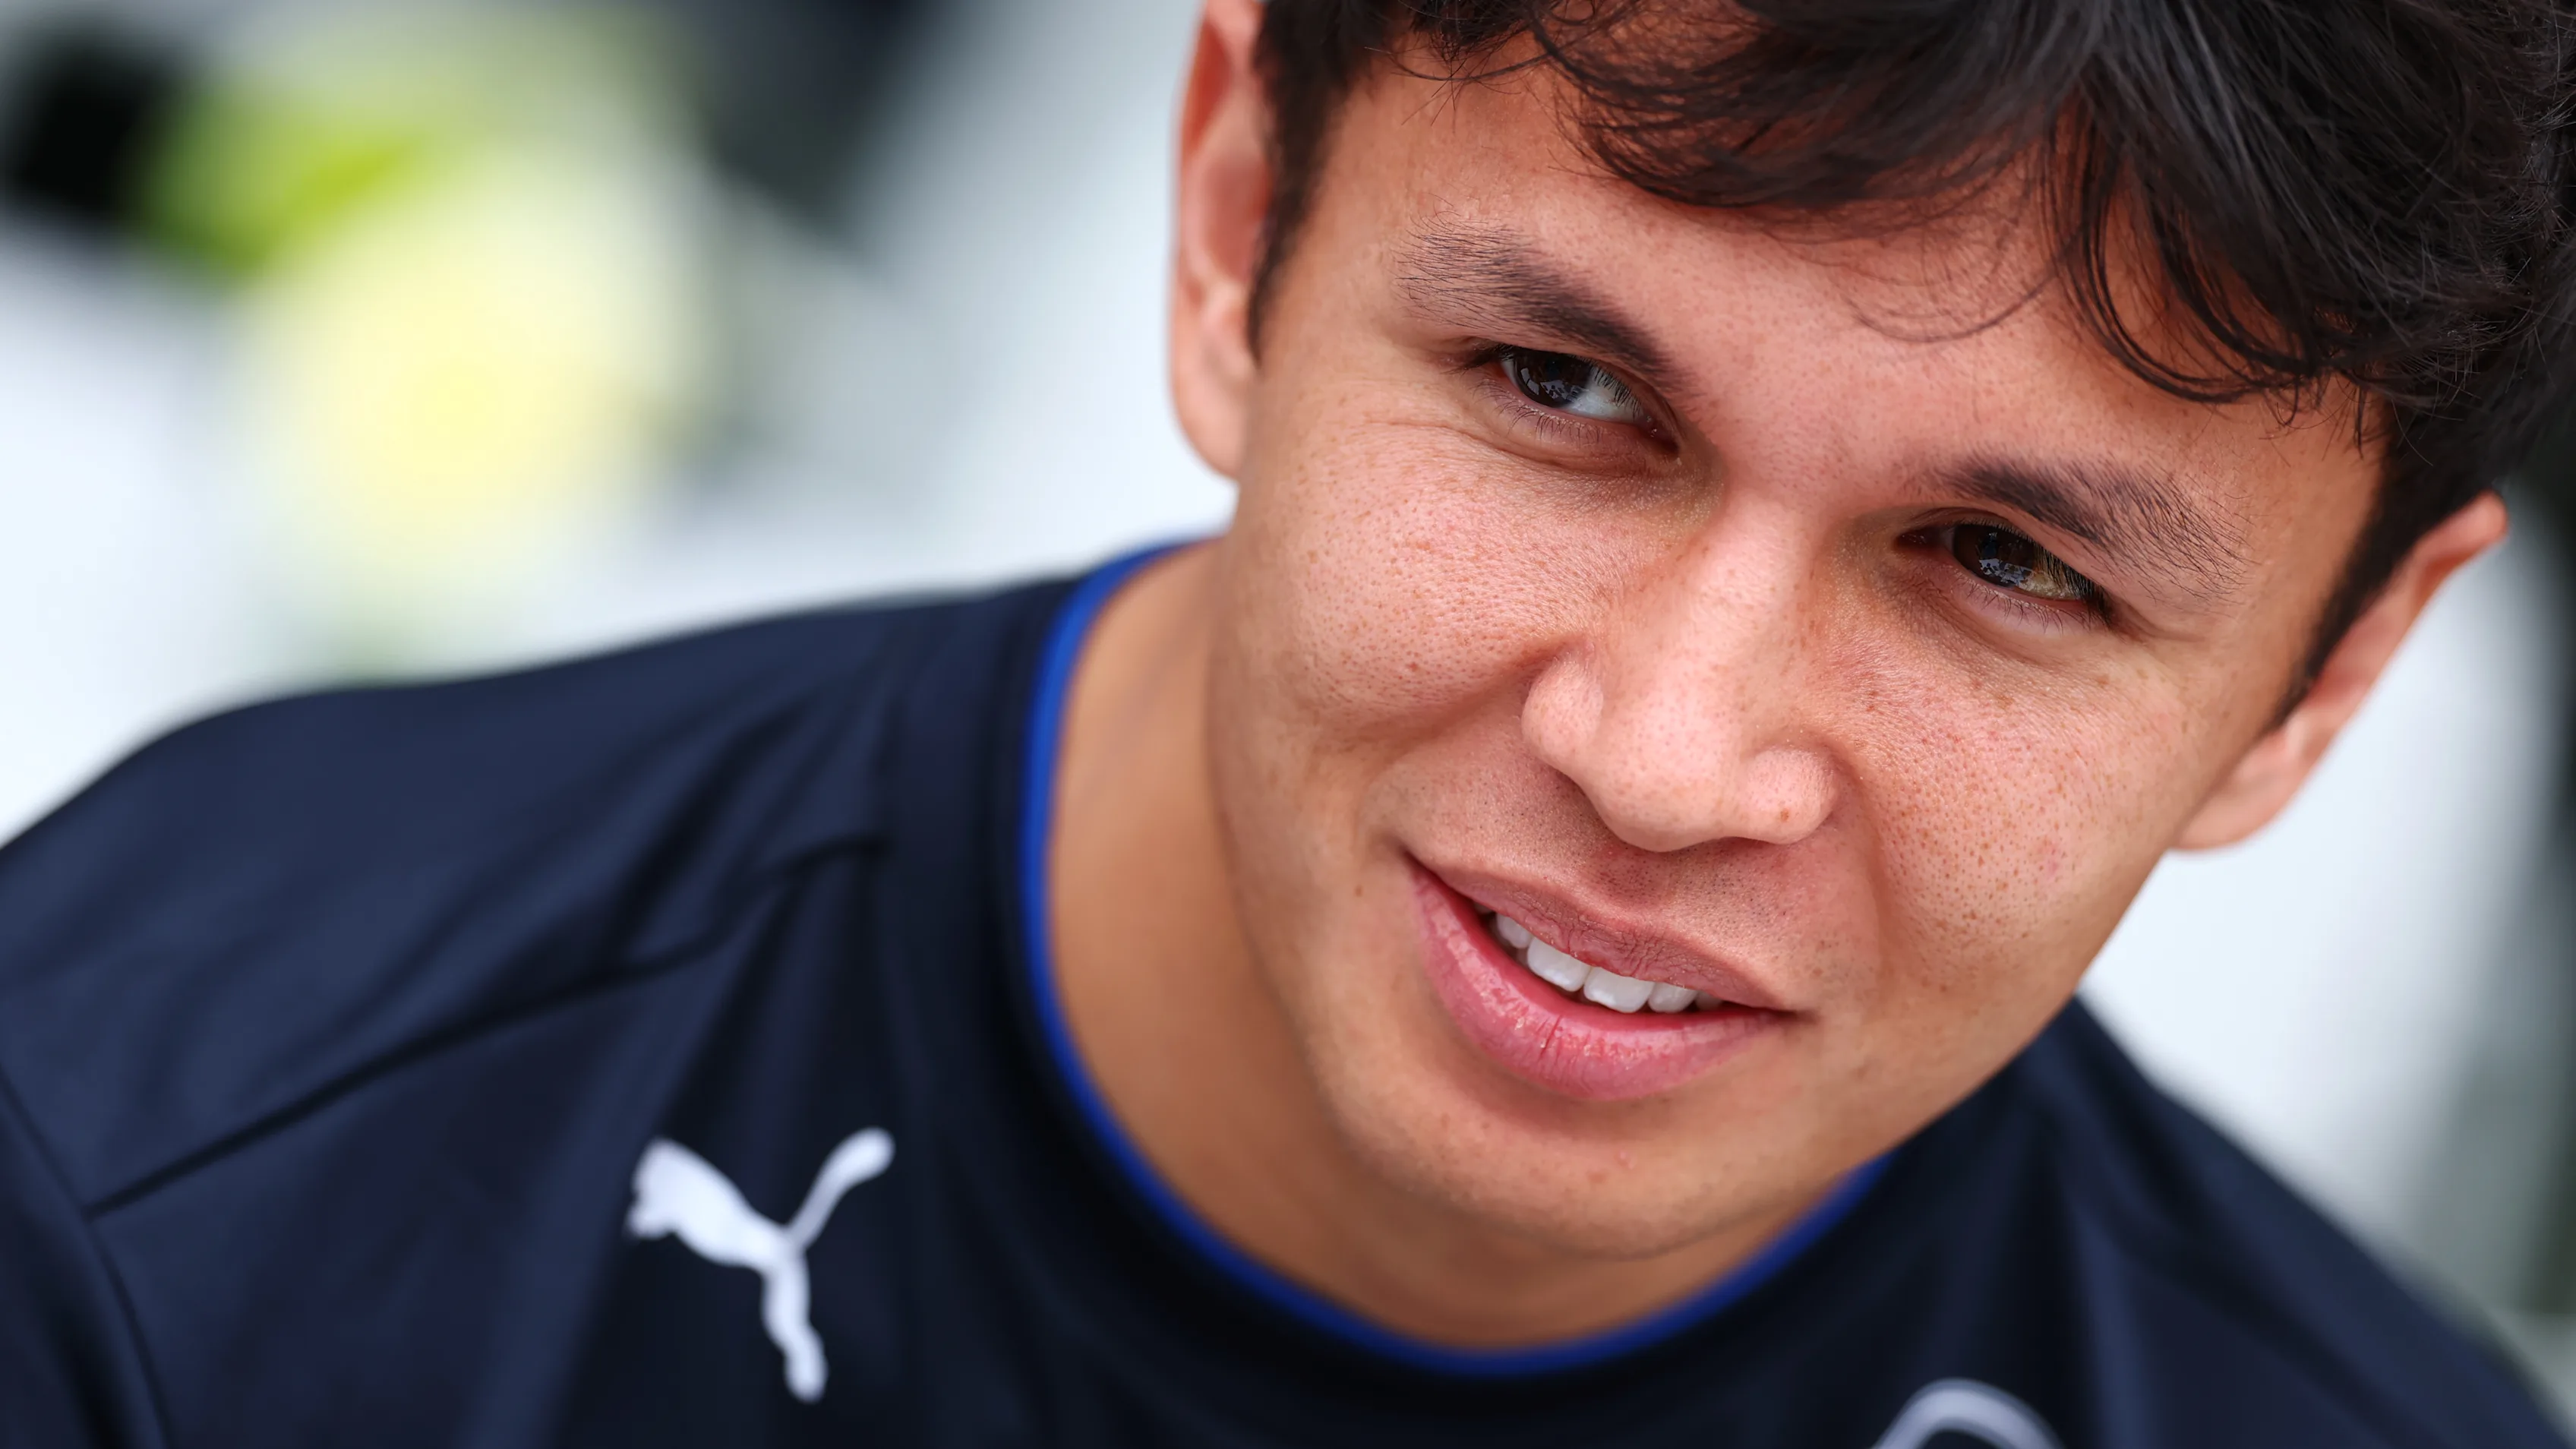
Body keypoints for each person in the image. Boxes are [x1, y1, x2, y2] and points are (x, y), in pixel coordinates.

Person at [5, 0, 2572, 1443]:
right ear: (1239, 217)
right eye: (1566, 389)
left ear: (2328, 675)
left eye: (2004, 565)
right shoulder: (153, 1175)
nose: (1670, 754)